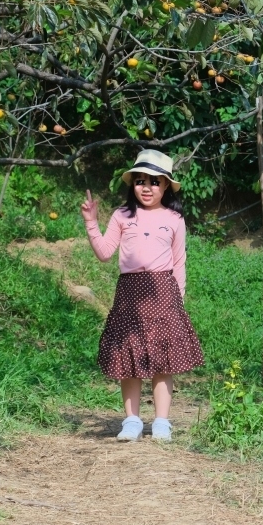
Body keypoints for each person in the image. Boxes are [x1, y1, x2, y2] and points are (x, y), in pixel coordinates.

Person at [80, 149, 204, 442]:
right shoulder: (122, 215)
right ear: (132, 185)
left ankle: (161, 422)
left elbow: (179, 261)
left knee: (163, 360)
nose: (146, 188)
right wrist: (90, 221)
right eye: (140, 181)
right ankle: (132, 421)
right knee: (129, 356)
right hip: (129, 294)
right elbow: (104, 252)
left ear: (165, 186)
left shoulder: (174, 218)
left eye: (154, 182)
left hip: (164, 292)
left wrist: (180, 301)